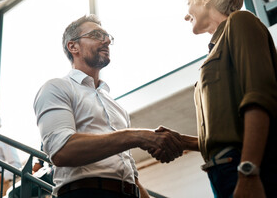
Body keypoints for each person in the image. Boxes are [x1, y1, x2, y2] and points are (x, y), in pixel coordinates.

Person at [33, 15, 183, 198]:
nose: (106, 41)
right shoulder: (57, 87)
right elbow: (62, 151)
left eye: (107, 37)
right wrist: (136, 136)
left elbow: (130, 174)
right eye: (96, 35)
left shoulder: (117, 107)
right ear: (73, 46)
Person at [156, 0, 277, 198]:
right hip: (221, 172)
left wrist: (248, 171)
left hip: (246, 165)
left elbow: (259, 98)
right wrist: (182, 141)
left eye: (189, 3)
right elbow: (226, 133)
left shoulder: (240, 22)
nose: (185, 15)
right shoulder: (214, 51)